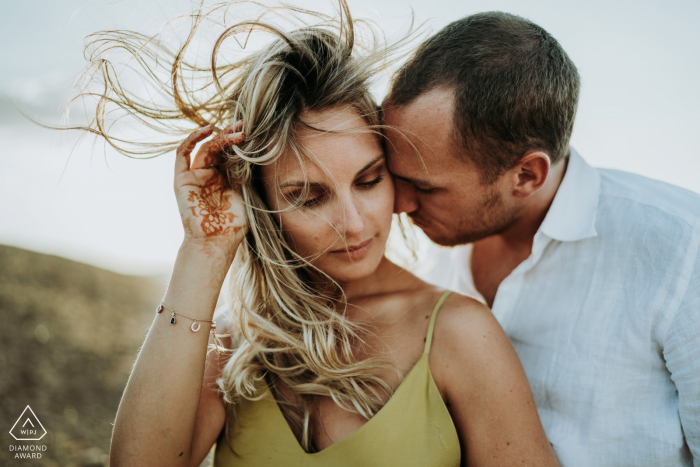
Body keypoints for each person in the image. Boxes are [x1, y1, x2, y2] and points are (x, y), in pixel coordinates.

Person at [58, 2, 561, 466]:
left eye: (369, 180)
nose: (356, 223)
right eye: (308, 196)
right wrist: (203, 250)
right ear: (263, 203)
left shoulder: (459, 333)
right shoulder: (234, 343)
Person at [382, 11, 700, 467]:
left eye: (427, 188)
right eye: (396, 177)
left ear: (527, 175)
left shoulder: (683, 250)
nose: (399, 205)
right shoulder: (417, 262)